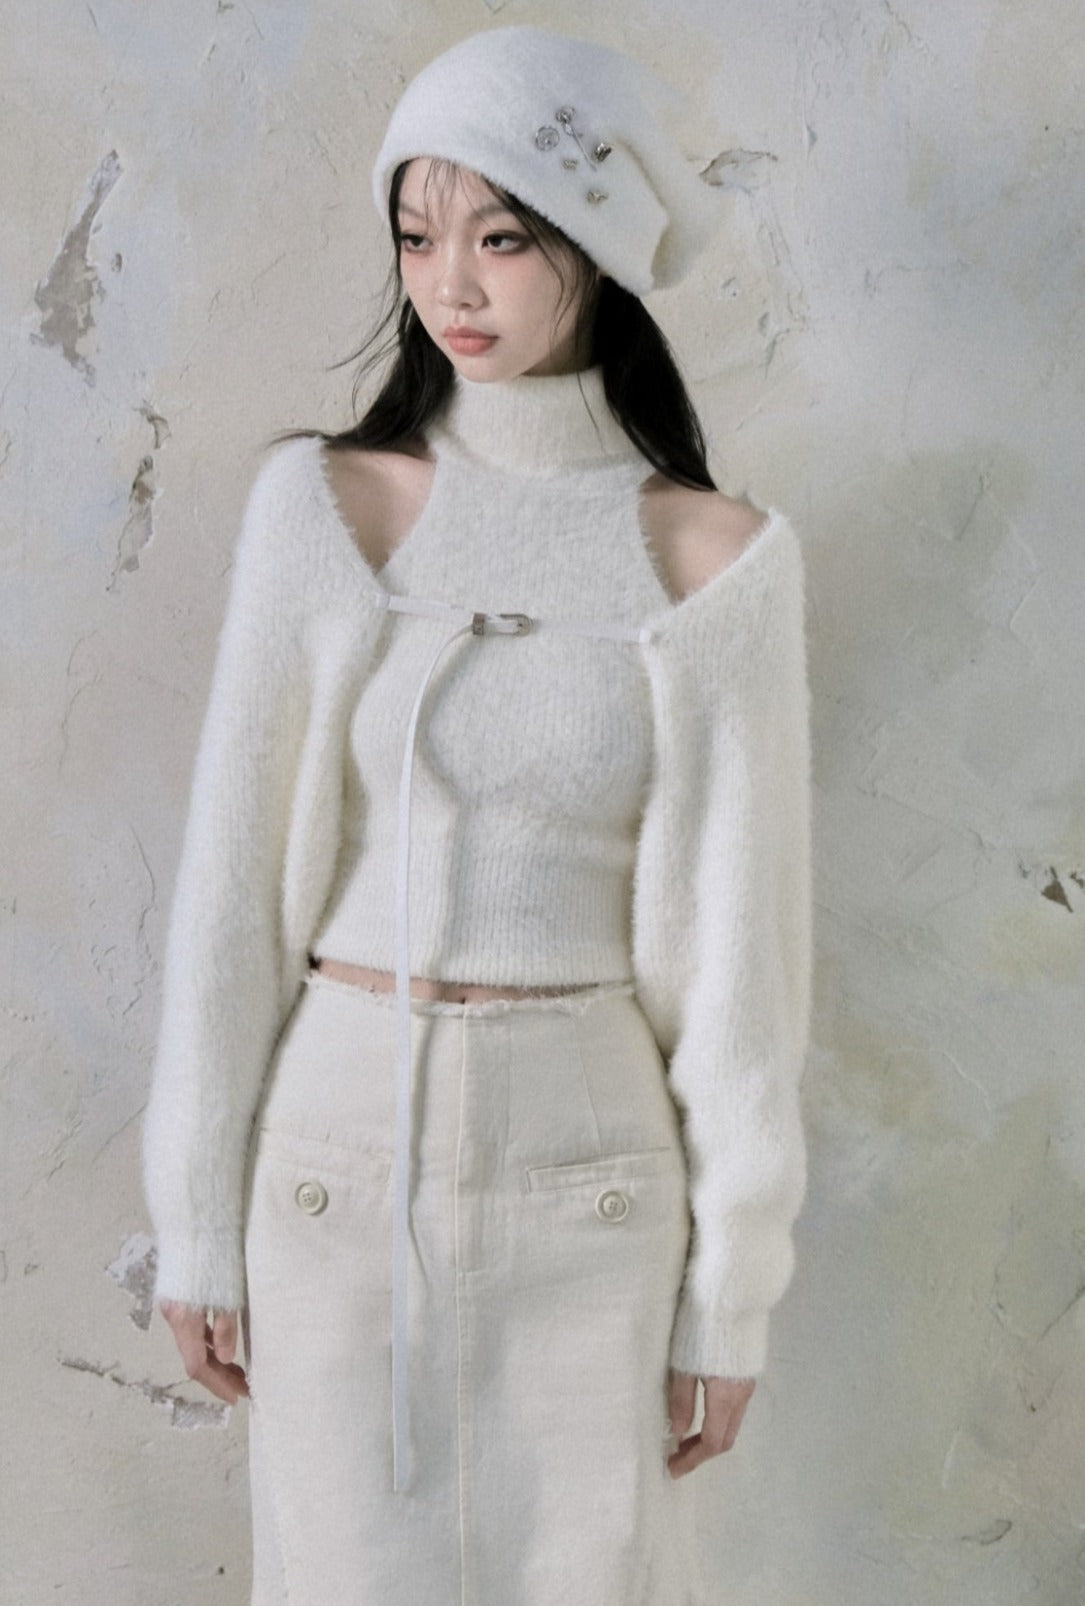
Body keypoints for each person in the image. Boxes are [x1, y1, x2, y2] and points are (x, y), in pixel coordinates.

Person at [142, 23, 812, 1605]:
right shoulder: (323, 509)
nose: (451, 284)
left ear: (600, 242)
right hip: (332, 1166)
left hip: (590, 1181)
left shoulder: (716, 560)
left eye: (502, 237)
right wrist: (196, 1216)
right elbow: (230, 892)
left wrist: (731, 1293)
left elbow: (742, 969)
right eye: (416, 234)